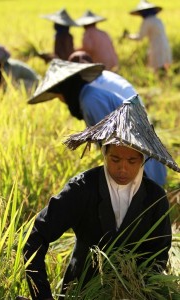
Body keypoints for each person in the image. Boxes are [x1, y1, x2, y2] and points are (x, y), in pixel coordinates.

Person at [23, 96, 180, 299]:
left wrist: (137, 287)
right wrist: (41, 295)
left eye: (132, 160)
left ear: (143, 158)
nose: (122, 168)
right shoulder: (82, 189)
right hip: (80, 292)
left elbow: (158, 256)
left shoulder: (154, 198)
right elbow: (35, 237)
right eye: (115, 159)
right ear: (104, 153)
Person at [28, 58, 167, 186]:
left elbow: (116, 144)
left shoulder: (90, 101)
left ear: (65, 91)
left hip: (144, 167)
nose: (62, 101)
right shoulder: (90, 95)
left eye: (59, 97)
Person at [124, 0, 172, 73]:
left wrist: (128, 36)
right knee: (164, 67)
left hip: (156, 47)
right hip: (165, 45)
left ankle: (160, 82)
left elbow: (139, 37)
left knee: (158, 69)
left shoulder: (147, 21)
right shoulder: (158, 20)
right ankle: (165, 82)